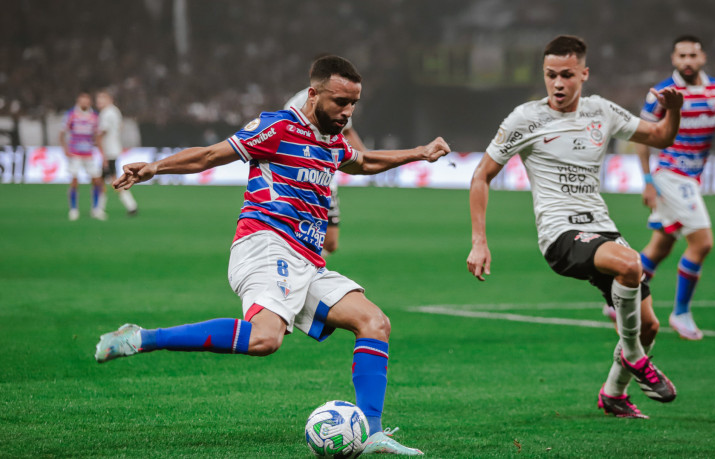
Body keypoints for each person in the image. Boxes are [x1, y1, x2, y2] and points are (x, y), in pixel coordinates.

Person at [95, 56, 450, 455]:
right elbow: (212, 155)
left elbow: (363, 161)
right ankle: (143, 338)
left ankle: (371, 432)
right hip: (264, 244)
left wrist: (419, 152)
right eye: (339, 102)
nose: (346, 112)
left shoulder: (333, 140)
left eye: (353, 103)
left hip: (308, 260)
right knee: (265, 339)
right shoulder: (278, 127)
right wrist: (155, 168)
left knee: (374, 322)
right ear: (313, 94)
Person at [467, 35, 680, 419]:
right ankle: (633, 356)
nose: (558, 83)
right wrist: (479, 241)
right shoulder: (525, 118)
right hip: (559, 235)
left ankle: (614, 393)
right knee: (631, 265)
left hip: (601, 229)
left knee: (649, 325)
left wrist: (674, 111)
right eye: (551, 75)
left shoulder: (602, 111)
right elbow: (481, 176)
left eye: (567, 75)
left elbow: (662, 136)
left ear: (584, 73)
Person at [634, 35, 715, 340]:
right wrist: (647, 181)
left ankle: (622, 296)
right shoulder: (662, 93)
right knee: (702, 243)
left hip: (693, 177)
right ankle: (681, 312)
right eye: (682, 56)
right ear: (674, 60)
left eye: (693, 55)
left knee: (660, 246)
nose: (687, 61)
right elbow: (643, 137)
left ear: (702, 58)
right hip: (671, 174)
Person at [284, 83, 369, 254]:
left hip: (327, 178)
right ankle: (296, 267)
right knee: (298, 235)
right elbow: (287, 133)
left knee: (330, 243)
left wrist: (365, 156)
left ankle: (304, 266)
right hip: (303, 178)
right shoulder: (297, 102)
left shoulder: (339, 103)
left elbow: (347, 131)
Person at [59, 92, 105, 220]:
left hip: (89, 154)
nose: (84, 103)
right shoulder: (71, 114)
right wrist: (64, 148)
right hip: (74, 154)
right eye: (82, 101)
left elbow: (97, 135)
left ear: (89, 102)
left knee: (97, 181)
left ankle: (96, 209)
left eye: (86, 101)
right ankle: (73, 210)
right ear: (78, 102)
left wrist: (100, 151)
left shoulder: (94, 116)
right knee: (74, 182)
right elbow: (62, 133)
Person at [96, 90, 139, 216]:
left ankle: (130, 205)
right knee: (104, 179)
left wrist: (101, 151)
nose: (98, 102)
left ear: (109, 99)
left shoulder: (106, 113)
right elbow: (120, 126)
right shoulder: (115, 111)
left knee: (112, 180)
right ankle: (100, 208)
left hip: (108, 151)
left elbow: (101, 133)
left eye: (101, 99)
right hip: (114, 149)